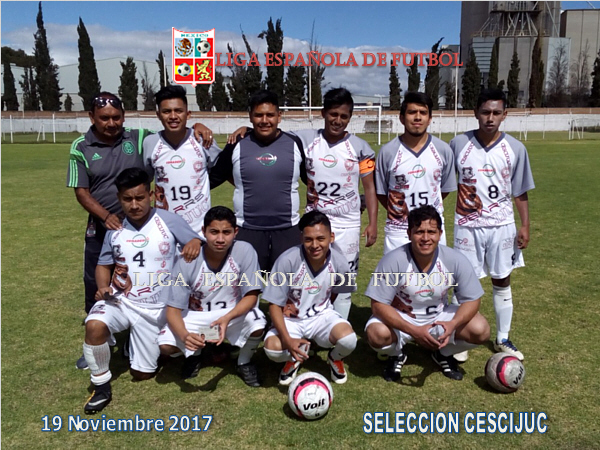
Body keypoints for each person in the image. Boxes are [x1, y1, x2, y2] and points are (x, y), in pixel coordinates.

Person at [67, 92, 211, 369]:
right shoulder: (80, 145)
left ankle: (147, 333)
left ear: (124, 117)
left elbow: (174, 128)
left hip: (143, 222)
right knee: (98, 282)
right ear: (92, 117)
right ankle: (100, 340)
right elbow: (82, 192)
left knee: (150, 277)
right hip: (104, 224)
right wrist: (107, 217)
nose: (111, 123)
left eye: (116, 117)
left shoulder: (139, 137)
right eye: (104, 118)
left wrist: (197, 126)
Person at [227, 87, 377, 321]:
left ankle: (337, 326)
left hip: (347, 223)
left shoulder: (361, 148)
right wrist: (246, 129)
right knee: (306, 277)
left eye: (343, 116)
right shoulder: (304, 139)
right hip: (313, 221)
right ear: (323, 113)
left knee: (344, 279)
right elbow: (270, 129)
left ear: (350, 117)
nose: (337, 120)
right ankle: (305, 320)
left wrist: (373, 223)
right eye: (333, 114)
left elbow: (369, 188)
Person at [82, 168, 201, 414]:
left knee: (142, 374)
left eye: (140, 198)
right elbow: (104, 264)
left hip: (159, 308)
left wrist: (194, 242)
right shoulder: (115, 226)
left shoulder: (169, 220)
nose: (134, 205)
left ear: (151, 195)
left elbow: (196, 242)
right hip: (122, 301)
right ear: (119, 198)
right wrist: (103, 286)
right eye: (127, 199)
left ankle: (136, 344)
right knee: (94, 325)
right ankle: (101, 386)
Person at [451, 88, 534, 361]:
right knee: (463, 282)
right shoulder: (458, 144)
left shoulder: (516, 148)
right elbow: (445, 185)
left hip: (502, 226)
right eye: (485, 112)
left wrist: (525, 225)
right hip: (467, 226)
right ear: (475, 113)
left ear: (505, 115)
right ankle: (460, 338)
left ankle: (502, 338)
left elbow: (520, 191)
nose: (490, 118)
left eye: (496, 112)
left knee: (502, 279)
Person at [365, 205, 490, 381]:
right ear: (409, 234)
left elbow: (473, 299)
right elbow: (378, 305)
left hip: (438, 317)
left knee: (481, 330)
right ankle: (396, 354)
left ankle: (443, 353)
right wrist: (414, 331)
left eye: (431, 232)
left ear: (440, 233)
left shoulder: (455, 259)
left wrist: (453, 324)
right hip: (403, 319)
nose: (425, 238)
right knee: (376, 334)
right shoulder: (392, 260)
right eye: (419, 232)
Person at [157, 206, 267, 386]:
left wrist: (226, 318)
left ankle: (244, 361)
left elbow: (252, 296)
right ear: (204, 231)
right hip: (197, 318)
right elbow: (173, 310)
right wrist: (185, 337)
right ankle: (195, 354)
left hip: (230, 316)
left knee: (257, 320)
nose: (220, 239)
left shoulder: (245, 250)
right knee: (165, 345)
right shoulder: (187, 259)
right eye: (214, 232)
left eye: (226, 232)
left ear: (235, 232)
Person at [209, 90, 307, 272]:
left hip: (288, 231)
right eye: (258, 115)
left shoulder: (295, 143)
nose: (264, 120)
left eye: (270, 115)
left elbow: (311, 180)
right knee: (247, 285)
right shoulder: (236, 144)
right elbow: (213, 178)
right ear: (250, 117)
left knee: (287, 286)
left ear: (279, 116)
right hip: (247, 231)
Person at [262, 211, 358, 386]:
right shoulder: (287, 260)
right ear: (301, 238)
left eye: (321, 238)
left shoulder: (340, 262)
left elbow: (336, 292)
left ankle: (335, 358)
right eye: (308, 239)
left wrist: (323, 307)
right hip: (290, 320)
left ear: (331, 237)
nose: (315, 245)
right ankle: (294, 358)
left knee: (349, 340)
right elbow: (274, 305)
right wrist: (287, 340)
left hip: (321, 316)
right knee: (272, 349)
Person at [375, 92, 456, 255]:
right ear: (402, 118)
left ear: (430, 118)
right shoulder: (388, 152)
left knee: (433, 272)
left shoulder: (443, 150)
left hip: (431, 228)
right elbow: (382, 193)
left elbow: (444, 189)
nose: (417, 117)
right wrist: (400, 211)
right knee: (397, 272)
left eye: (423, 113)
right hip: (398, 230)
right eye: (412, 112)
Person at [143, 85, 221, 236]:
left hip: (198, 230)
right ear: (158, 115)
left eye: (178, 111)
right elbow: (145, 181)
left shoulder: (203, 140)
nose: (173, 116)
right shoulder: (150, 143)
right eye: (166, 111)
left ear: (188, 114)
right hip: (163, 229)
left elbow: (223, 170)